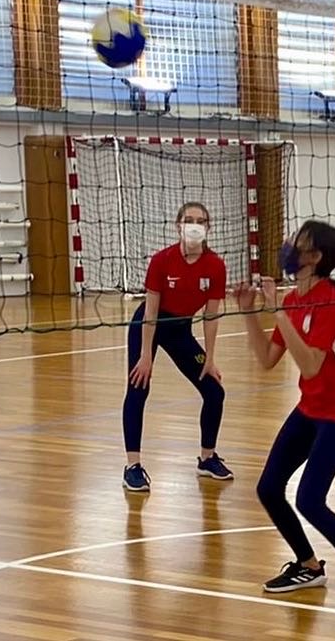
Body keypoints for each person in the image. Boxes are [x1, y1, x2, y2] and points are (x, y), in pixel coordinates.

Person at [237, 220, 335, 613]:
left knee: (310, 499)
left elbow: (308, 364)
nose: (288, 247)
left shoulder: (331, 304)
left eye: (298, 244)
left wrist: (277, 310)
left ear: (315, 257)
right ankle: (308, 565)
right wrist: (250, 314)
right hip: (311, 407)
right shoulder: (292, 301)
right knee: (269, 488)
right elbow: (267, 360)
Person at [122, 201, 230, 491]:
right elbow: (150, 313)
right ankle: (132, 466)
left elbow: (210, 315)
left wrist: (210, 358)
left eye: (200, 220)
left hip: (180, 329)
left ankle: (207, 459)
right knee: (138, 387)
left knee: (214, 391)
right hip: (149, 326)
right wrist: (146, 356)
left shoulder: (216, 266)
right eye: (189, 219)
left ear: (208, 228)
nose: (194, 225)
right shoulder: (162, 260)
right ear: (178, 225)